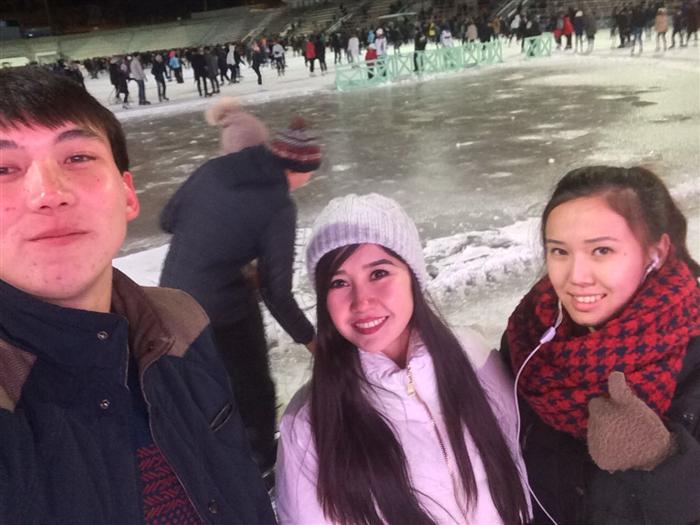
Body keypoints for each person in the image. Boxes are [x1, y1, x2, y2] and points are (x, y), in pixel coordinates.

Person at [0, 66, 275, 524]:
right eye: (3, 168)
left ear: (128, 194)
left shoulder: (180, 322)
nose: (48, 193)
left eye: (77, 157)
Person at [276, 194, 531, 524]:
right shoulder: (309, 424)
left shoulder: (475, 357)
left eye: (378, 273)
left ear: (413, 276)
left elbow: (516, 464)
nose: (361, 301)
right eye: (339, 282)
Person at [502, 166, 700, 524]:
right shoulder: (527, 337)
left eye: (601, 250)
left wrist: (662, 458)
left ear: (655, 253)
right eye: (559, 251)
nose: (576, 277)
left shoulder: (693, 352)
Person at [159, 98, 320, 476]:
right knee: (252, 388)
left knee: (201, 389)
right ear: (299, 169)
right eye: (311, 173)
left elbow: (168, 219)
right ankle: (261, 465)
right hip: (222, 311)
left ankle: (206, 462)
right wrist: (313, 341)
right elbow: (276, 292)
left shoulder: (213, 169)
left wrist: (219, 239)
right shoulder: (279, 205)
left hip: (170, 302)